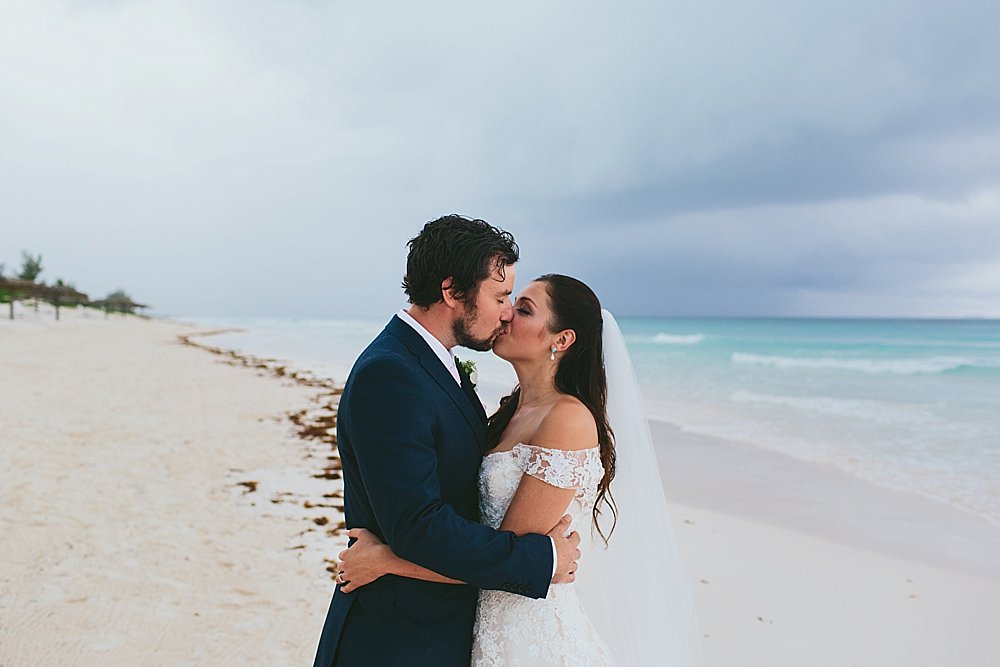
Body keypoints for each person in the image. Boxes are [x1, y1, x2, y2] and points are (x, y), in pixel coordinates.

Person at [337, 275, 702, 665]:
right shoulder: (508, 413)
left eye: (523, 308)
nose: (507, 313)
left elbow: (507, 557)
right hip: (481, 629)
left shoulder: (568, 419)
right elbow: (495, 550)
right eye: (507, 300)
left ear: (561, 340)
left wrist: (385, 561)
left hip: (528, 634)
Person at [312, 216, 583, 667]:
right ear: (452, 291)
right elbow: (419, 526)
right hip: (396, 640)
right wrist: (542, 560)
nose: (506, 312)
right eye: (498, 297)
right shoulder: (391, 373)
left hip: (439, 632)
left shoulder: (434, 364)